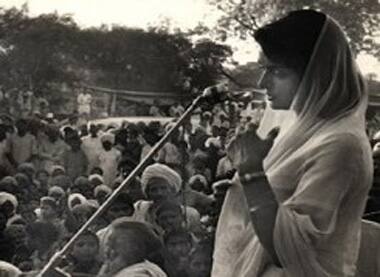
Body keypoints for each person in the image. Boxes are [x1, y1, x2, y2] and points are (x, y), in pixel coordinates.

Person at [212, 10, 373, 277]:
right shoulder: (301, 131)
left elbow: (287, 250)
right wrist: (240, 195)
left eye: (277, 72)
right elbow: (274, 200)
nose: (263, 83)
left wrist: (252, 173)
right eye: (264, 69)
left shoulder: (341, 145)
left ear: (316, 74)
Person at [99, 219, 167, 277]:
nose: (108, 251)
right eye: (108, 244)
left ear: (137, 247)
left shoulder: (140, 273)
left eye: (115, 244)